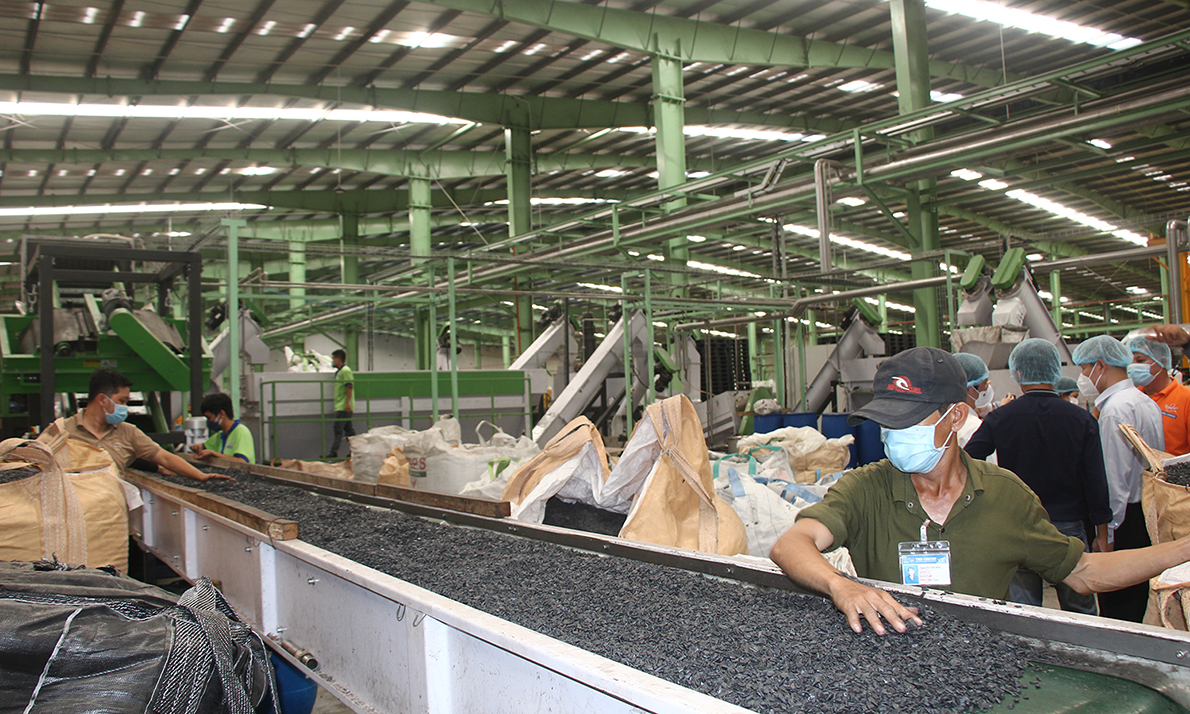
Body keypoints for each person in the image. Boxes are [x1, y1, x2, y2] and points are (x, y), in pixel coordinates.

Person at [768, 347, 1190, 636]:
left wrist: (1182, 550)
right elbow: (792, 544)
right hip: (890, 659)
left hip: (982, 665)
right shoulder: (866, 487)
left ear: (956, 418)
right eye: (885, 422)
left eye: (908, 422)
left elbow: (1083, 573)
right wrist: (841, 586)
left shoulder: (1007, 497)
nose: (891, 436)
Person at [965, 338, 1111, 615]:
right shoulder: (1081, 420)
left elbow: (968, 460)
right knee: (1079, 610)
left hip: (1016, 524)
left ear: (1017, 373)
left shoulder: (1001, 419)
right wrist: (1102, 531)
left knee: (1024, 613)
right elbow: (1095, 480)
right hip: (1068, 528)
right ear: (1055, 371)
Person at [1071, 335, 1164, 622]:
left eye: (1085, 369)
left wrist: (1105, 534)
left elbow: (1114, 479)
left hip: (1124, 520)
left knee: (1118, 604)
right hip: (1146, 510)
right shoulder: (1142, 400)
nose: (1083, 377)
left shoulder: (1114, 410)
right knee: (1138, 595)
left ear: (1101, 365)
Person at [38, 369, 231, 483]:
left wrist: (200, 476)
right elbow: (31, 462)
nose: (125, 408)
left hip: (110, 518)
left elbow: (164, 457)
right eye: (122, 401)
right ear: (102, 400)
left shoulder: (127, 433)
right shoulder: (62, 431)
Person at [1126, 336, 1190, 457]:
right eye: (1130, 362)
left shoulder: (1185, 398)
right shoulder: (1132, 398)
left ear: (1163, 361)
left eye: (1140, 361)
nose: (1133, 367)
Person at [193, 393, 255, 464]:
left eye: (209, 417)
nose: (208, 421)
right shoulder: (220, 435)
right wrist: (198, 448)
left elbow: (242, 461)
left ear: (221, 414)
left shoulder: (241, 432)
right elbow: (204, 447)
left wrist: (214, 454)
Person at [953, 353, 994, 448]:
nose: (987, 387)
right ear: (971, 389)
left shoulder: (941, 420)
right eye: (984, 383)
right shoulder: (975, 429)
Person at [326, 349, 355, 458]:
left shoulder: (346, 371)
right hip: (341, 405)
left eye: (333, 359)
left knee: (338, 429)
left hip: (344, 406)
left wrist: (347, 403)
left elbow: (349, 386)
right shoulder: (339, 372)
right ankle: (356, 450)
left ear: (338, 359)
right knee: (349, 431)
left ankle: (333, 451)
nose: (332, 362)